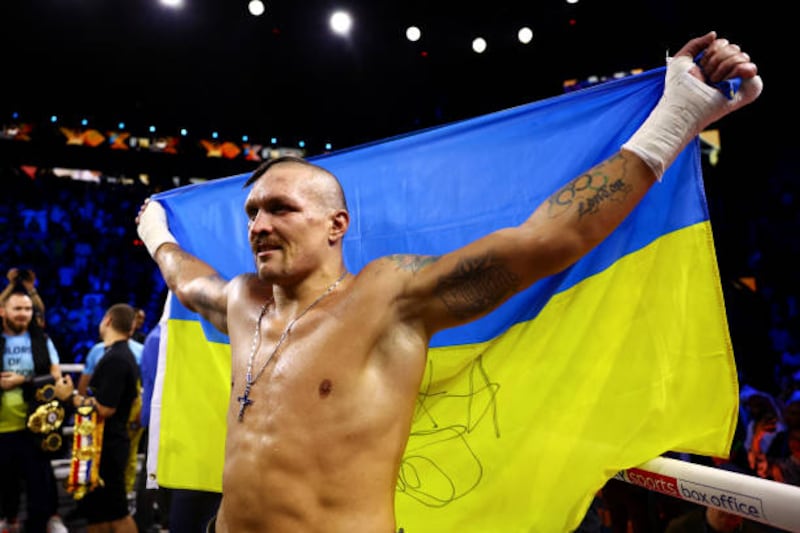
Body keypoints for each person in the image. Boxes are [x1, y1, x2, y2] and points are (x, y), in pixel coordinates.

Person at [135, 32, 762, 532]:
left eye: (280, 208)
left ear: (336, 224)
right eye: (252, 214)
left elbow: (546, 241)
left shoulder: (388, 298)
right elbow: (189, 282)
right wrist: (157, 232)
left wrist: (678, 117)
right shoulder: (244, 300)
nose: (260, 225)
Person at [59, 303, 141, 533]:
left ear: (107, 320)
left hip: (109, 446)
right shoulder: (118, 355)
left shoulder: (116, 358)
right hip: (104, 445)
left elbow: (105, 408)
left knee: (117, 513)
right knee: (98, 515)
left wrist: (70, 397)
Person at [0, 288, 69, 533]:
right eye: (17, 308)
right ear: (3, 311)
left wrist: (22, 380)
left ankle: (43, 523)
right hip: (3, 426)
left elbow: (55, 376)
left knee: (38, 487)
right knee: (6, 485)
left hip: (35, 426)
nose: (23, 314)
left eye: (27, 309)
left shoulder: (41, 339)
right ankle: (9, 521)